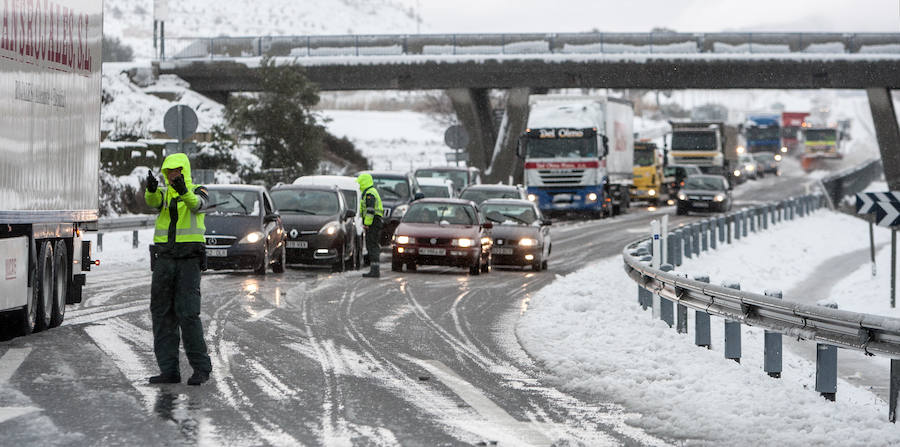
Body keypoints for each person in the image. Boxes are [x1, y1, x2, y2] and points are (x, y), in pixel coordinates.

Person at [144, 153, 212, 386]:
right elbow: (152, 203)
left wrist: (184, 190)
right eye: (169, 171)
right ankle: (169, 371)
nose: (172, 175)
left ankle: (201, 369)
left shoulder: (199, 190)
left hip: (188, 260)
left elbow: (197, 206)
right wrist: (152, 190)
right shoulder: (164, 195)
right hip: (164, 259)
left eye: (176, 170)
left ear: (184, 171)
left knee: (188, 314)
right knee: (161, 314)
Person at [356, 173, 384, 278]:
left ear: (364, 182)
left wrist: (367, 224)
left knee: (372, 245)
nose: (359, 185)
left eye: (360, 182)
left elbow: (370, 211)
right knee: (372, 245)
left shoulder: (369, 194)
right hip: (375, 222)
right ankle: (374, 270)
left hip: (373, 223)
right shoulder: (370, 192)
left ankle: (375, 271)